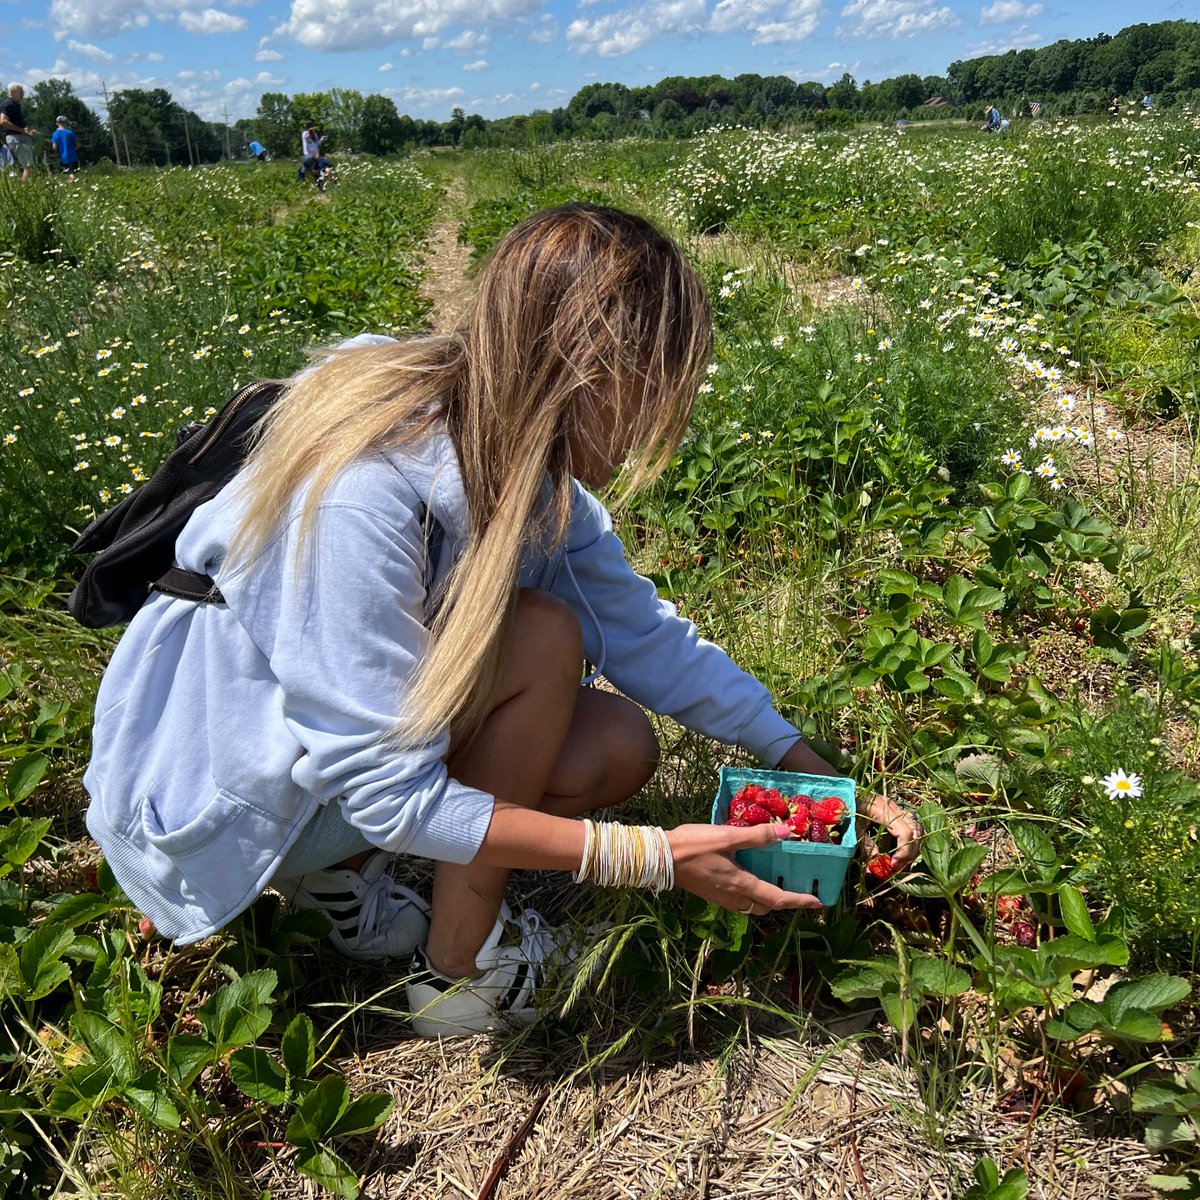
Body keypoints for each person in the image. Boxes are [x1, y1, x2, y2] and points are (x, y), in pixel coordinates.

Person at [82, 204, 921, 1038]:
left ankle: (340, 871)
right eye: (659, 381)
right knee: (540, 637)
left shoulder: (523, 465)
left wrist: (815, 775)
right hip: (214, 798)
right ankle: (457, 976)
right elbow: (388, 793)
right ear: (590, 368)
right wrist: (654, 858)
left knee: (613, 746)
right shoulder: (361, 492)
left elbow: (645, 636)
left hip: (305, 753)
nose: (670, 413)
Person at [0, 83, 38, 180]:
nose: (23, 94)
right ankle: (23, 190)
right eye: (21, 91)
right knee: (28, 166)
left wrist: (27, 131)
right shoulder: (8, 104)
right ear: (13, 92)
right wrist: (21, 130)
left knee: (30, 166)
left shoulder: (14, 105)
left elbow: (15, 123)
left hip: (18, 137)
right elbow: (3, 121)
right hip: (17, 138)